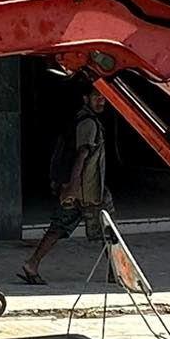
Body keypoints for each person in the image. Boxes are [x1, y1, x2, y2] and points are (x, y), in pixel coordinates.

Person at [17, 87, 110, 285]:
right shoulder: (88, 124)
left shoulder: (80, 118)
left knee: (59, 227)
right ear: (86, 98)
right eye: (97, 97)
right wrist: (72, 187)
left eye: (104, 98)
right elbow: (81, 156)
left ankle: (32, 264)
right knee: (110, 230)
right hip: (88, 190)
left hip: (80, 189)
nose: (101, 101)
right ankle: (115, 272)